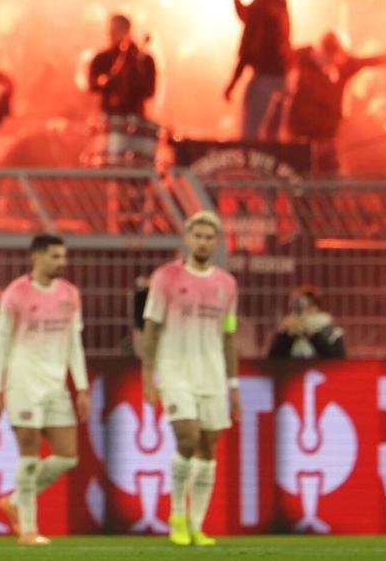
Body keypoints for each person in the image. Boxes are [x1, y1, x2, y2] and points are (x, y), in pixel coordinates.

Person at [141, 210, 239, 547]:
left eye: (209, 237)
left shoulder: (227, 285)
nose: (203, 242)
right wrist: (148, 373)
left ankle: (197, 525)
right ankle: (177, 515)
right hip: (175, 371)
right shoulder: (166, 277)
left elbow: (229, 336)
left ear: (217, 242)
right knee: (187, 438)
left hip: (211, 374)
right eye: (197, 236)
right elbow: (152, 326)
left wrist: (233, 386)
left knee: (208, 448)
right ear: (187, 239)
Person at [0, 235, 89, 546]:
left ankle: (15, 500)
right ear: (37, 257)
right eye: (55, 256)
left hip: (55, 386)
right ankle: (29, 529)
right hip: (23, 383)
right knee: (29, 455)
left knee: (68, 456)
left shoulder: (70, 294)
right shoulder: (15, 293)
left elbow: (74, 344)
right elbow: (1, 343)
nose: (62, 262)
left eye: (63, 256)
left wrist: (82, 387)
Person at [285, 32, 386, 173]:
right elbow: (282, 59)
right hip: (301, 131)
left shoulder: (344, 65)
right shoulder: (302, 58)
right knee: (299, 172)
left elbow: (376, 60)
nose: (336, 60)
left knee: (329, 173)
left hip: (327, 133)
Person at [225, 0, 291, 140]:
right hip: (283, 76)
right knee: (273, 138)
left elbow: (248, 45)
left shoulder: (261, 4)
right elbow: (246, 14)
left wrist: (233, 81)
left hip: (264, 77)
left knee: (251, 134)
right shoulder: (279, 0)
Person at [88, 14, 156, 118]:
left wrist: (134, 71)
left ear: (128, 32)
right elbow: (92, 85)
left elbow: (150, 91)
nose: (110, 34)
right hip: (107, 118)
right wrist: (107, 79)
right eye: (111, 31)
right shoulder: (101, 58)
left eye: (116, 31)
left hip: (135, 119)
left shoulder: (144, 60)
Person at [267, 287, 346, 360]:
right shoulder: (285, 331)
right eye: (298, 307)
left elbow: (338, 361)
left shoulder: (332, 332)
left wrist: (312, 335)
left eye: (310, 304)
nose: (305, 312)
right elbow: (272, 360)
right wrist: (287, 335)